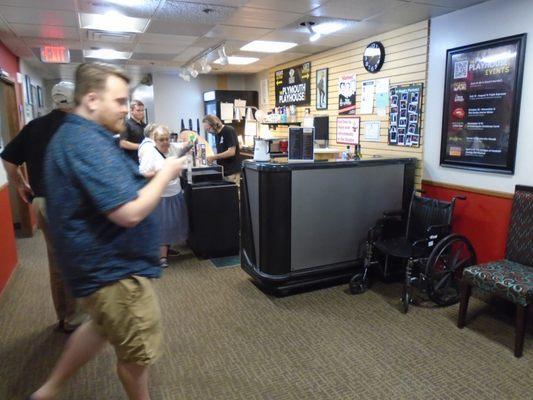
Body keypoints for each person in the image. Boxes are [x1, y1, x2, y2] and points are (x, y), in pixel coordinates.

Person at [30, 62, 186, 400]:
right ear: (91, 99)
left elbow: (106, 189)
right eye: (119, 101)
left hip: (99, 269)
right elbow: (128, 213)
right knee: (137, 356)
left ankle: (49, 390)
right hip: (115, 271)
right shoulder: (85, 142)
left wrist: (142, 179)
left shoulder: (81, 136)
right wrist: (165, 172)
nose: (125, 109)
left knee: (100, 326)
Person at [0, 81, 86, 333]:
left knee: (57, 260)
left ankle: (65, 315)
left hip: (44, 202)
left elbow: (8, 159)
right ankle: (76, 318)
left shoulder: (35, 127)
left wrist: (21, 186)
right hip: (72, 204)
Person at [139, 125, 189, 268]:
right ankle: (161, 257)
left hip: (175, 192)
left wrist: (190, 138)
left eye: (167, 139)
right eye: (161, 139)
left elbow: (187, 144)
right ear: (155, 140)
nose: (165, 142)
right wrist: (163, 173)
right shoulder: (150, 153)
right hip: (161, 196)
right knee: (162, 227)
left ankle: (166, 250)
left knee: (173, 224)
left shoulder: (173, 147)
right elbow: (142, 174)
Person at [202, 114, 241, 185]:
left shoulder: (228, 130)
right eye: (206, 130)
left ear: (214, 125)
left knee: (233, 194)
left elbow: (231, 152)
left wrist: (213, 157)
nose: (208, 132)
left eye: (209, 129)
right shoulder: (216, 134)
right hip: (223, 171)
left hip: (231, 171)